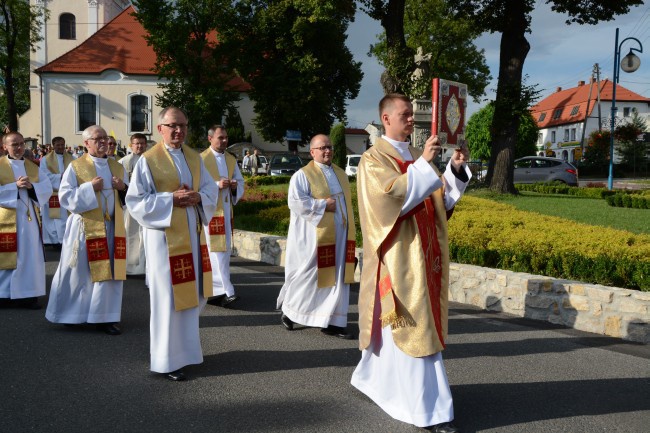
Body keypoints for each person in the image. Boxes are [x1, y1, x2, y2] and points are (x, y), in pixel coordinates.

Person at [350, 94, 471, 433]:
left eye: (411, 115)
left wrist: (455, 169)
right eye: (404, 115)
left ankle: (377, 382)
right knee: (410, 327)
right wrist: (423, 167)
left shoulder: (417, 156)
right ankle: (427, 410)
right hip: (397, 260)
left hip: (424, 256)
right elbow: (389, 201)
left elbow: (439, 200)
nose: (410, 121)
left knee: (398, 330)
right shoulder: (373, 160)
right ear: (385, 118)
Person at [126, 107, 218, 381]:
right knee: (167, 299)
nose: (179, 131)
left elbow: (210, 189)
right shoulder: (148, 160)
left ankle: (186, 353)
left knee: (193, 295)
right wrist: (171, 200)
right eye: (173, 126)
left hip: (191, 236)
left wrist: (199, 198)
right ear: (160, 129)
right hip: (164, 240)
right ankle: (166, 360)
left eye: (183, 125)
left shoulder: (194, 157)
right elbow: (135, 201)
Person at [45, 125, 128, 336]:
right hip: (84, 228)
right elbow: (65, 198)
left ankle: (105, 317)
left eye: (105, 138)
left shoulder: (117, 167)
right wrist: (89, 188)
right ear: (86, 143)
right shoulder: (76, 167)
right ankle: (72, 315)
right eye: (97, 138)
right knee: (78, 273)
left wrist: (123, 189)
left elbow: (129, 199)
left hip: (111, 227)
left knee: (108, 273)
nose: (103, 142)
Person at [276, 134, 356, 339]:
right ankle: (290, 309)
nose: (327, 151)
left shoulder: (340, 173)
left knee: (338, 277)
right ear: (312, 152)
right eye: (322, 148)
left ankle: (334, 321)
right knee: (309, 275)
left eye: (329, 147)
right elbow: (295, 202)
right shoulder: (302, 175)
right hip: (314, 237)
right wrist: (322, 205)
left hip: (340, 236)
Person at [0, 132, 53, 309]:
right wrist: (13, 186)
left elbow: (46, 189)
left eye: (22, 143)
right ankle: (3, 294)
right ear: (4, 147)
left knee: (29, 256)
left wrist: (32, 187)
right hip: (4, 220)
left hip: (28, 220)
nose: (19, 147)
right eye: (14, 144)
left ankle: (28, 294)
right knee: (7, 256)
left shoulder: (33, 167)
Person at [201, 125, 245, 308]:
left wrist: (235, 186)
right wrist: (216, 184)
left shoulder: (230, 159)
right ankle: (227, 290)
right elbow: (196, 184)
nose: (224, 141)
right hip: (210, 213)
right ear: (210, 139)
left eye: (226, 137)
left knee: (223, 252)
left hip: (225, 212)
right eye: (221, 138)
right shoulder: (201, 159)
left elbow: (240, 181)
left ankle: (215, 291)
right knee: (215, 252)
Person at [119, 133, 148, 275]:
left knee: (146, 236)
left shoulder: (151, 160)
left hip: (147, 204)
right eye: (136, 143)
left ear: (146, 145)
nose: (139, 146)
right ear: (131, 145)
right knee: (131, 234)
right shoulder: (123, 162)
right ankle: (131, 268)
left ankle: (145, 266)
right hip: (130, 205)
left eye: (142, 143)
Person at [39, 136, 74, 247]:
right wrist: (61, 177)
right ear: (53, 146)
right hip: (52, 193)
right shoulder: (45, 159)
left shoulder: (72, 158)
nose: (60, 147)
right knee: (52, 220)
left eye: (62, 144)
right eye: (58, 145)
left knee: (65, 219)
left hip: (67, 193)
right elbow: (44, 176)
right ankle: (52, 241)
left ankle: (64, 240)